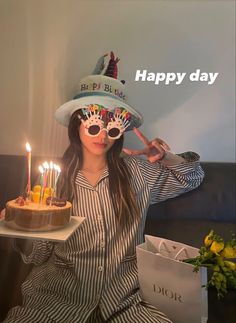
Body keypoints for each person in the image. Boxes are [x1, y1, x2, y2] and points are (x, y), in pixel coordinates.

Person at [3, 53, 204, 323]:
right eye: (95, 124)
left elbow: (191, 178)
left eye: (112, 128)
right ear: (77, 123)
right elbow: (38, 255)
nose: (102, 134)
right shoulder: (53, 183)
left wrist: (165, 157)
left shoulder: (138, 173)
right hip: (55, 301)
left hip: (126, 302)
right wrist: (22, 229)